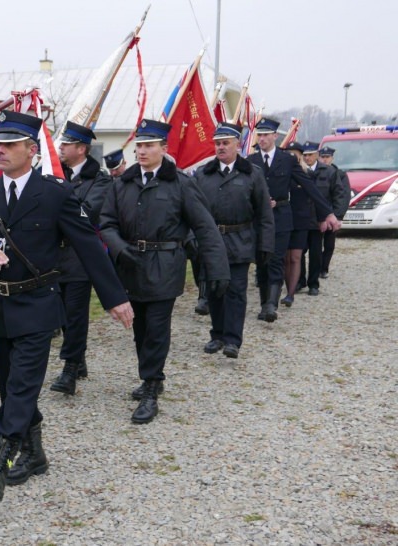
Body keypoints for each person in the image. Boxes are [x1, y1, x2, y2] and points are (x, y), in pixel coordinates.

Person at [0, 111, 133, 501]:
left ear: (31, 150)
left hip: (39, 304)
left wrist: (115, 298)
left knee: (23, 386)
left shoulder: (56, 193)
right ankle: (36, 453)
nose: (0, 151)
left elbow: (89, 246)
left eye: (9, 145)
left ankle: (0, 459)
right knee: (12, 389)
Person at [99, 119, 230, 423]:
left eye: (148, 146)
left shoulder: (182, 184)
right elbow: (106, 223)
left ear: (163, 148)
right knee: (140, 328)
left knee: (157, 328)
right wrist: (118, 247)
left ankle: (149, 386)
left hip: (166, 267)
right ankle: (153, 378)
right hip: (130, 266)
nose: (142, 151)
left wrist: (218, 270)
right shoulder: (123, 184)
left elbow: (205, 228)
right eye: (139, 146)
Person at [247, 118, 341, 321]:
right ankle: (265, 304)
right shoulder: (250, 162)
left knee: (276, 260)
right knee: (262, 263)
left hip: (281, 217)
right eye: (259, 135)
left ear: (275, 136)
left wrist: (328, 213)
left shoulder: (287, 160)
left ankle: (272, 305)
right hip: (259, 220)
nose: (262, 139)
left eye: (265, 135)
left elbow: (309, 186)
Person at [194, 123, 274, 358]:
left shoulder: (252, 173)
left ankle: (232, 340)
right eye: (217, 143)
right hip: (212, 242)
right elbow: (193, 210)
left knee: (236, 291)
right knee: (215, 290)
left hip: (240, 240)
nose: (221, 147)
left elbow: (264, 214)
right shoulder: (203, 174)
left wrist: (266, 244)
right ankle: (217, 335)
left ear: (237, 144)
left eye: (226, 143)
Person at [49, 121, 112, 395]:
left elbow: (87, 213)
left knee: (75, 315)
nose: (60, 148)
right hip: (52, 256)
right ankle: (80, 358)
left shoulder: (100, 179)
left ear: (82, 149)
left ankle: (70, 368)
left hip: (79, 255)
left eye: (66, 144)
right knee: (60, 314)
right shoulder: (53, 173)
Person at [300, 141, 349, 296]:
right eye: (304, 155)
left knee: (316, 253)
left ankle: (313, 283)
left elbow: (338, 195)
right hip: (300, 219)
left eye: (310, 155)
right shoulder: (298, 170)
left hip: (318, 219)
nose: (307, 158)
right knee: (298, 252)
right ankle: (299, 281)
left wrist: (336, 216)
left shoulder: (329, 172)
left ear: (317, 155)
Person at [280, 141, 311, 307]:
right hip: (285, 219)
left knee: (296, 257)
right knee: (285, 258)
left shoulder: (306, 173)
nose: (292, 155)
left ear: (300, 155)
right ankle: (287, 289)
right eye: (288, 153)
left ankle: (291, 293)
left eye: (295, 153)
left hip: (301, 220)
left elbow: (313, 196)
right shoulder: (282, 173)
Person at [317, 146, 351, 279]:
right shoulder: (316, 172)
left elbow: (344, 196)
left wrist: (338, 216)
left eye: (327, 157)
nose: (325, 160)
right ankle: (317, 267)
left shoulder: (340, 174)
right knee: (316, 244)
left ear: (332, 158)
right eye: (323, 157)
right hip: (319, 215)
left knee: (329, 244)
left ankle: (324, 268)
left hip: (333, 214)